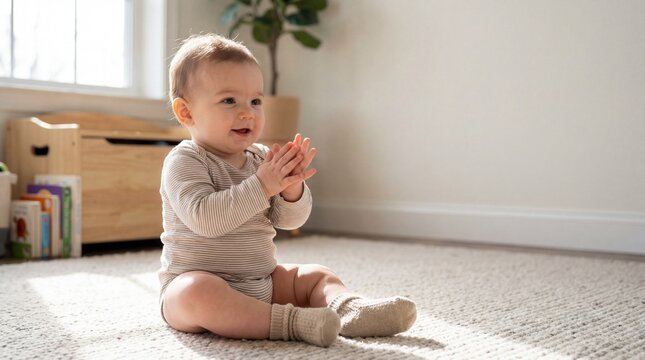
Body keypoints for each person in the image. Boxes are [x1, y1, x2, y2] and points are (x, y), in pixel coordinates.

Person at [158, 33, 416, 348]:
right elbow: (206, 220)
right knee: (194, 292)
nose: (247, 112)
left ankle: (349, 310)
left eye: (255, 100)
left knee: (315, 275)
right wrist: (263, 185)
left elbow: (290, 221)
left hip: (263, 281)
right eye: (229, 100)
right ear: (186, 112)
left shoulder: (262, 158)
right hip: (196, 287)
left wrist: (290, 189)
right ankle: (293, 323)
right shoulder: (184, 161)